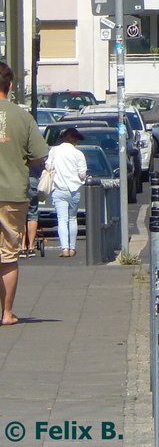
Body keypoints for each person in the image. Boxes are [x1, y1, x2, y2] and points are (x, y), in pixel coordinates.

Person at [0, 61, 49, 325]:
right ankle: (6, 313)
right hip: (12, 193)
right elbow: (39, 155)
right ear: (9, 86)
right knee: (8, 255)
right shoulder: (23, 117)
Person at [46, 128, 88, 258]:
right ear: (74, 140)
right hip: (74, 190)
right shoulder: (78, 154)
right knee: (72, 219)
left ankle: (64, 248)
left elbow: (48, 167)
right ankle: (72, 248)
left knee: (62, 220)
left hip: (59, 189)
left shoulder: (54, 151)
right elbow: (82, 174)